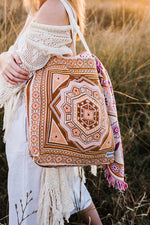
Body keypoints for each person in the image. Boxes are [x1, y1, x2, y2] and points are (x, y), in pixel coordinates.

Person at [0, 0, 103, 224]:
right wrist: (4, 58)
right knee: (69, 187)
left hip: (37, 124)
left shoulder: (54, 7)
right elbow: (16, 58)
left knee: (29, 204)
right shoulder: (44, 8)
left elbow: (18, 72)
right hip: (46, 120)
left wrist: (3, 59)